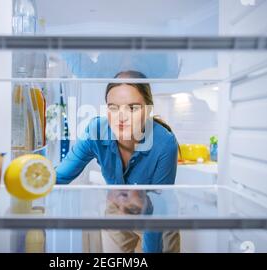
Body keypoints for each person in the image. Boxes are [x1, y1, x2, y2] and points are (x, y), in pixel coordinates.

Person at [55, 70, 179, 252]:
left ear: (148, 110)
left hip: (157, 215)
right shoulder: (95, 131)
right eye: (113, 108)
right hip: (117, 208)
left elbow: (157, 211)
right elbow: (61, 176)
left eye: (133, 108)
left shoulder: (165, 143)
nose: (121, 117)